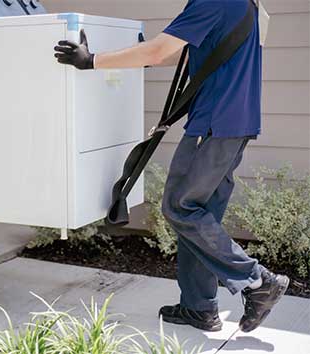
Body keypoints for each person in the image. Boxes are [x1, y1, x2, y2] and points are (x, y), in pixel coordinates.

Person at [54, 0, 288, 333]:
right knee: (200, 213)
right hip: (237, 123)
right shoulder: (245, 4)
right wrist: (141, 55)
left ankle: (257, 281)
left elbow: (159, 50)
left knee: (181, 207)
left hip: (213, 124)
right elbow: (193, 52)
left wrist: (90, 61)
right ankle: (199, 307)